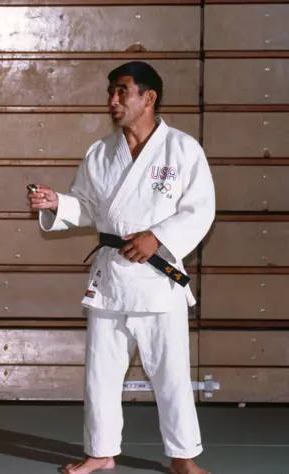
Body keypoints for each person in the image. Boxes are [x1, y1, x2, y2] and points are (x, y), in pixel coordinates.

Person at [28, 61, 214, 474]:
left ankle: (184, 457)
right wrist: (57, 203)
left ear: (148, 98)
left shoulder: (182, 150)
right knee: (101, 371)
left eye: (122, 91)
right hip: (111, 277)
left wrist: (158, 238)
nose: (113, 101)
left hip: (157, 277)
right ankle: (101, 450)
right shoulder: (100, 152)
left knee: (171, 374)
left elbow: (200, 211)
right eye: (110, 92)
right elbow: (88, 207)